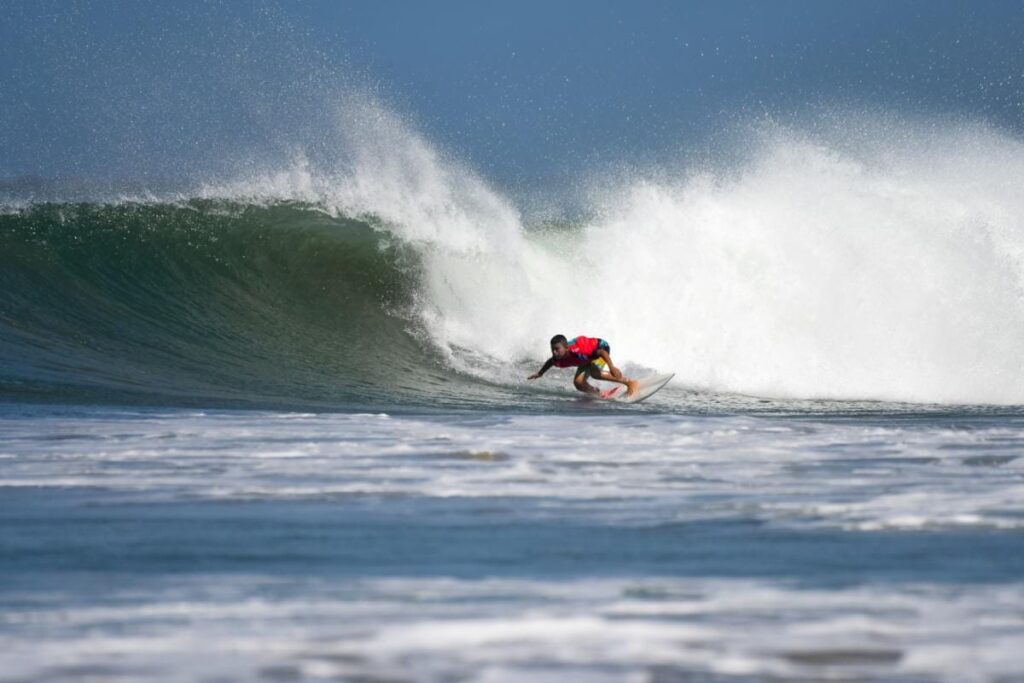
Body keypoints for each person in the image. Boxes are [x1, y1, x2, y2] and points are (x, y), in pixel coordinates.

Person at [528, 334, 638, 397]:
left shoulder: (578, 350)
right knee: (578, 383)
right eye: (552, 349)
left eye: (557, 349)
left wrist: (611, 367)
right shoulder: (558, 358)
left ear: (566, 347)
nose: (554, 352)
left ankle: (630, 382)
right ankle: (599, 394)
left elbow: (601, 353)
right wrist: (540, 373)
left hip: (600, 347)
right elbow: (550, 362)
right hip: (585, 359)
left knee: (595, 373)